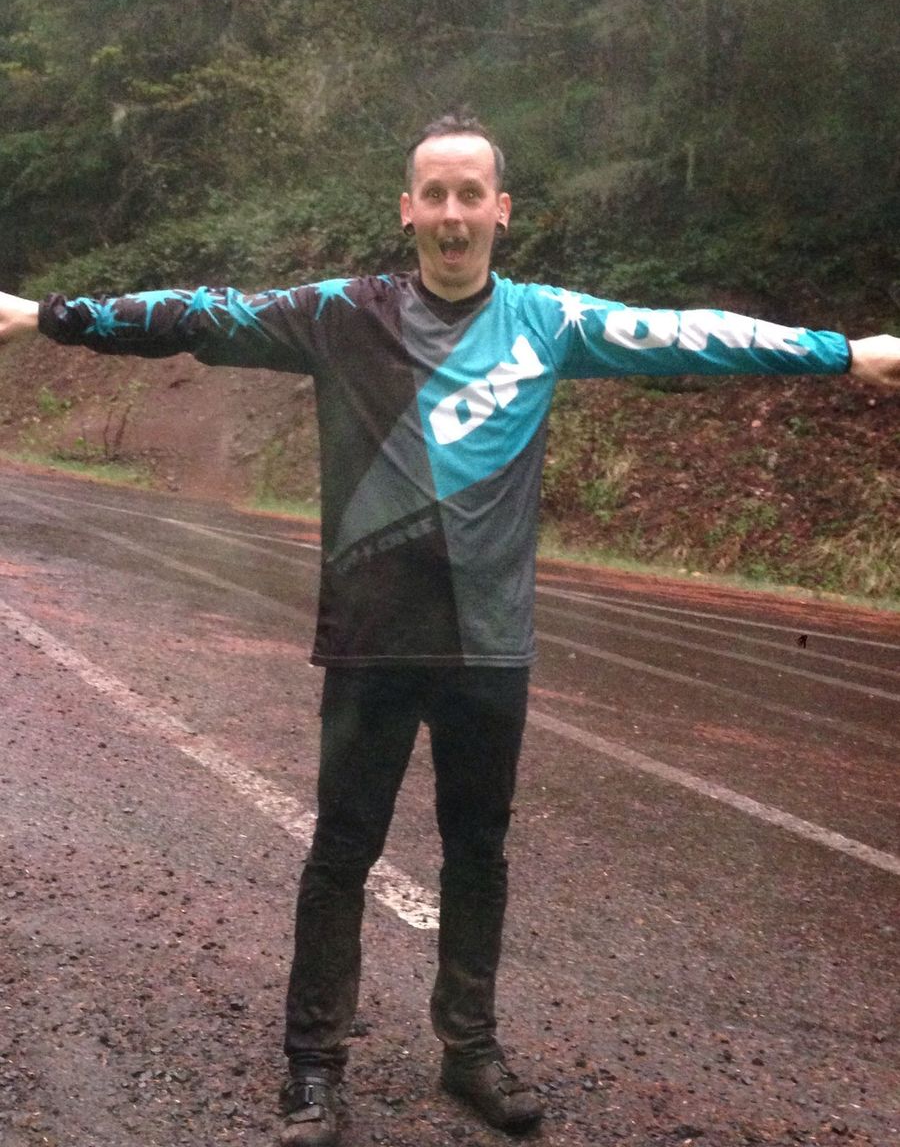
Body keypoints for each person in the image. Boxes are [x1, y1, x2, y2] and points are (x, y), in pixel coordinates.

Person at [0, 114, 898, 1147]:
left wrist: (846, 354)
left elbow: (687, 331)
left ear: (501, 210)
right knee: (342, 853)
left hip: (489, 647)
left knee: (480, 853)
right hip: (373, 640)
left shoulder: (548, 324)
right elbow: (204, 313)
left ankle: (469, 1051)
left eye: (472, 193)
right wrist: (43, 315)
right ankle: (313, 1068)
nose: (454, 213)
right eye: (436, 193)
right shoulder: (343, 315)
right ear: (408, 210)